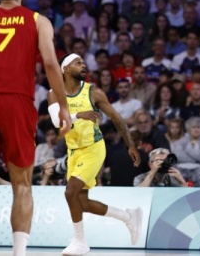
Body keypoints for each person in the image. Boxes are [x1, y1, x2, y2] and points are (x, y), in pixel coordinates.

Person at [0, 0, 72, 256]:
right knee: (22, 184)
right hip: (18, 103)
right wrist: (62, 105)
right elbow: (50, 63)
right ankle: (18, 253)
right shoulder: (38, 21)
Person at [53, 54, 143, 256]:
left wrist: (130, 145)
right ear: (66, 69)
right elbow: (57, 122)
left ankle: (80, 242)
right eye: (78, 63)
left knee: (70, 192)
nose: (83, 65)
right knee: (82, 203)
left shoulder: (93, 92)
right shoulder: (57, 94)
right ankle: (128, 217)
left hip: (93, 148)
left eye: (83, 62)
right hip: (73, 150)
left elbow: (116, 118)